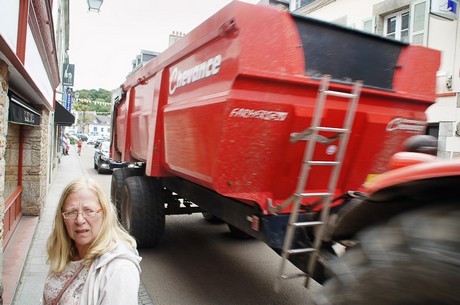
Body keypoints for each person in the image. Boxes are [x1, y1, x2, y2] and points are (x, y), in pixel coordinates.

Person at [43, 177, 141, 305]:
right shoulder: (66, 253)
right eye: (71, 212)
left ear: (104, 213)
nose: (79, 220)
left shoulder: (119, 269)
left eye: (89, 211)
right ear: (62, 217)